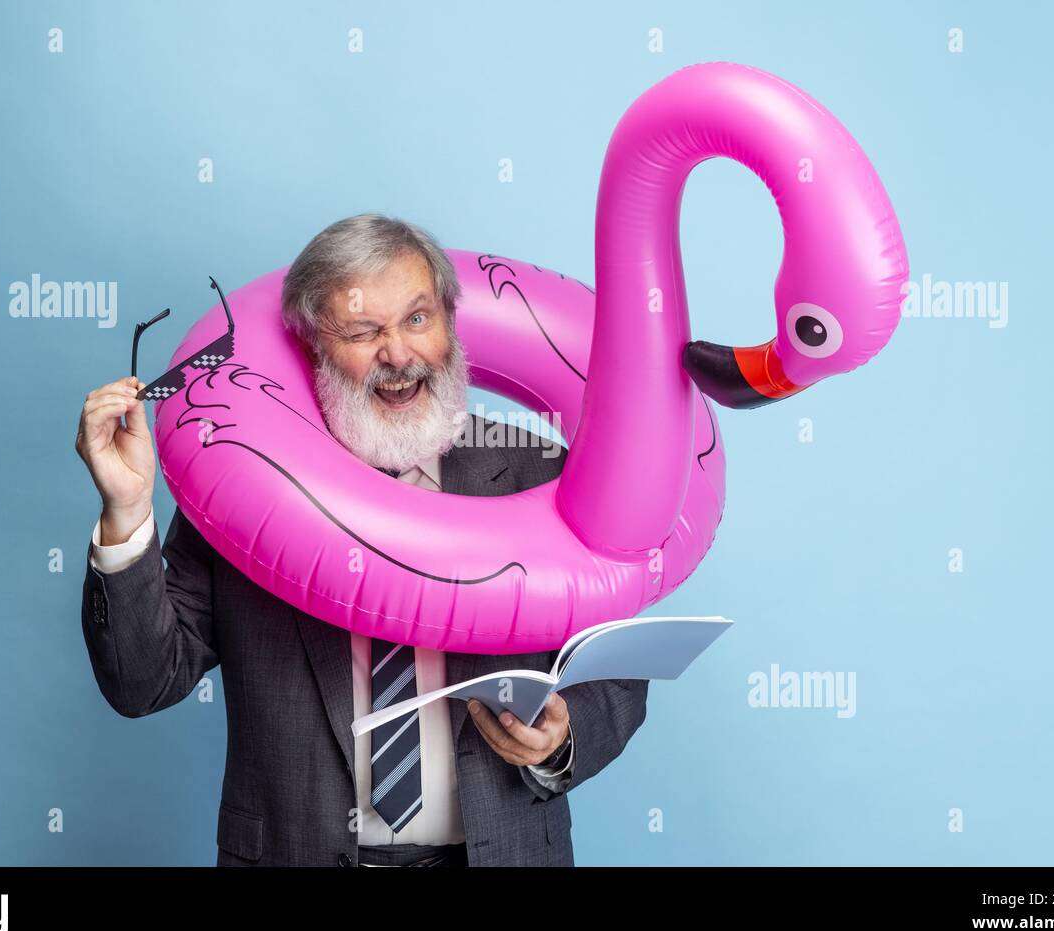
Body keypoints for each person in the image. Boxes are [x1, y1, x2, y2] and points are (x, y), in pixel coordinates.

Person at [74, 213, 649, 866]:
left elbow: (615, 667)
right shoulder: (249, 488)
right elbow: (144, 681)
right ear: (314, 346)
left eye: (416, 319)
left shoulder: (534, 471)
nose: (399, 355)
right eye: (363, 331)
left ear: (452, 325)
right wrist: (124, 512)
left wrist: (565, 728)